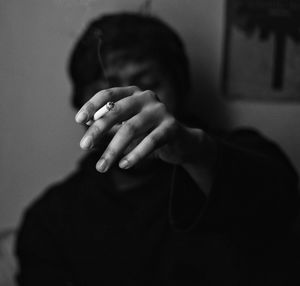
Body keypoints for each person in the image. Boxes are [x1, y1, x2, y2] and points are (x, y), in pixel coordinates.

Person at [16, 12, 299, 285]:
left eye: (149, 85)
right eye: (108, 96)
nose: (131, 108)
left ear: (181, 87)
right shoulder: (53, 219)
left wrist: (196, 151)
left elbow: (277, 203)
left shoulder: (242, 156)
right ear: (83, 107)